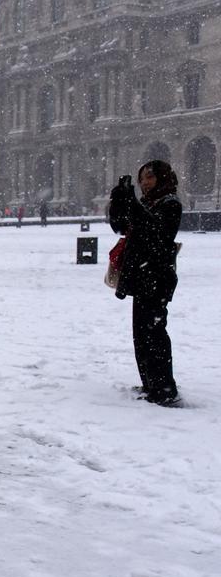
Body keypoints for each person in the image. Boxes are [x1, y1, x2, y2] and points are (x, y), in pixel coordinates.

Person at [108, 161, 182, 407]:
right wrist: (118, 202)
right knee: (141, 334)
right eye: (142, 178)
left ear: (162, 178)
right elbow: (120, 226)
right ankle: (151, 383)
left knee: (155, 334)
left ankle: (164, 389)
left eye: (149, 177)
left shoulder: (170, 203)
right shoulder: (150, 204)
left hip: (157, 278)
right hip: (142, 277)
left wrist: (134, 205)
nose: (144, 182)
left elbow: (156, 234)